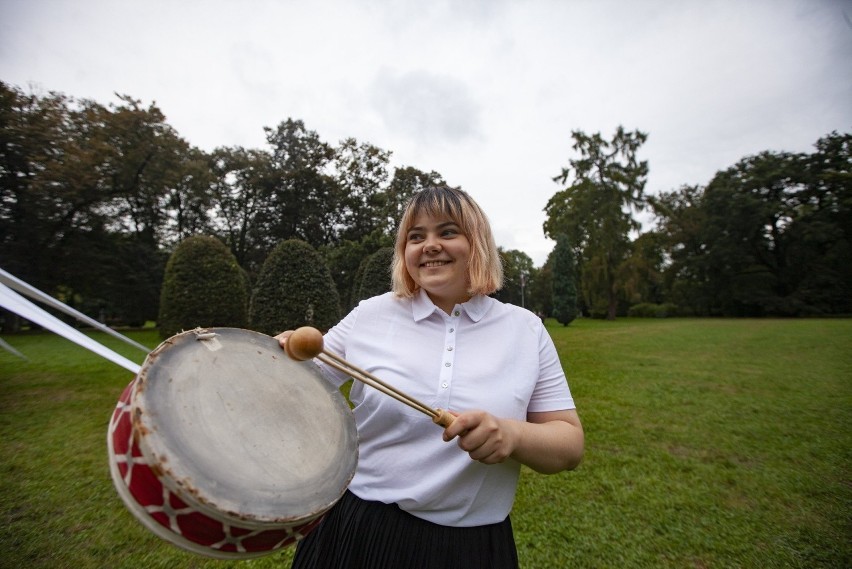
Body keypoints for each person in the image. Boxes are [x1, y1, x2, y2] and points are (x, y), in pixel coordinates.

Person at [277, 185, 584, 569]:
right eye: (415, 236)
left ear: (478, 243)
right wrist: (276, 356)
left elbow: (570, 445)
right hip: (357, 529)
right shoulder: (371, 315)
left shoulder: (524, 329)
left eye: (447, 232)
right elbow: (294, 381)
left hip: (471, 547)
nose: (430, 245)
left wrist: (513, 435)